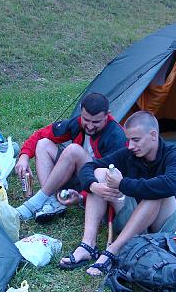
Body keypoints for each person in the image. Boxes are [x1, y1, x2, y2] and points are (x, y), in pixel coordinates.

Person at [60, 110, 176, 275]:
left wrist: (122, 184)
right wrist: (93, 186)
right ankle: (88, 245)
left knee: (156, 192)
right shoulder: (130, 154)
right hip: (137, 222)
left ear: (153, 135)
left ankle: (114, 250)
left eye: (136, 140)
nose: (130, 146)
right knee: (100, 173)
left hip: (171, 228)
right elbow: (89, 166)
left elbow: (170, 186)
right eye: (128, 140)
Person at [14, 93, 126, 223]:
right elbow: (41, 134)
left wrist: (81, 197)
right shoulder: (76, 124)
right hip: (78, 178)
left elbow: (111, 181)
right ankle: (51, 201)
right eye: (86, 120)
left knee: (73, 150)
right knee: (43, 144)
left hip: (97, 190)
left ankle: (35, 202)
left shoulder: (115, 136)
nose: (90, 126)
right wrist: (24, 156)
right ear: (81, 112)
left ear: (107, 115)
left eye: (96, 122)